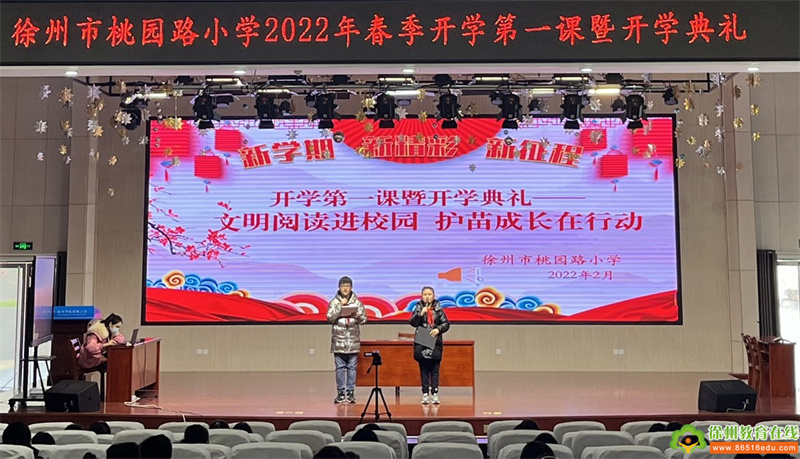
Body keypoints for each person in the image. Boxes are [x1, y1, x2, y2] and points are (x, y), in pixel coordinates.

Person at [327, 276, 366, 404]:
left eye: (347, 286)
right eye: (343, 286)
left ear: (351, 287)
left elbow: (364, 319)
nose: (345, 288)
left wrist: (357, 315)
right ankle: (340, 393)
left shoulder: (357, 302)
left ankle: (350, 393)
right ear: (339, 287)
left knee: (352, 368)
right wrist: (340, 307)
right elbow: (330, 317)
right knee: (340, 368)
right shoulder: (334, 302)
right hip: (339, 340)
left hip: (353, 340)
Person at [409, 286, 450, 405]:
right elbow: (412, 322)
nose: (427, 297)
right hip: (422, 339)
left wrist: (438, 329)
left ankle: (435, 393)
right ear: (422, 296)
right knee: (424, 369)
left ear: (433, 296)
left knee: (435, 369)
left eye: (429, 294)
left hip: (435, 341)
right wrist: (420, 314)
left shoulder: (438, 309)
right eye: (425, 294)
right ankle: (425, 393)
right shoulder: (418, 307)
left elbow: (446, 323)